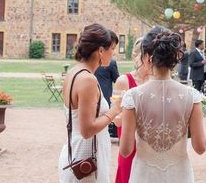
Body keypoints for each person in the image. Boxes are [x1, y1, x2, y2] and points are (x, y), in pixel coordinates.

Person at [119, 26, 206, 181]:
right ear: (174, 59)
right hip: (179, 175)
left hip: (144, 175)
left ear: (147, 58)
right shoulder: (191, 96)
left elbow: (125, 150)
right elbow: (200, 147)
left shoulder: (132, 97)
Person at [58, 24, 120, 182]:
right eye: (111, 49)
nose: (113, 54)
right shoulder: (87, 79)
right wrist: (114, 111)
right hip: (85, 157)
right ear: (101, 51)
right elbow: (87, 130)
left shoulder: (74, 72)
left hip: (76, 149)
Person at [114, 37, 151, 183]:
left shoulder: (156, 80)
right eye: (141, 55)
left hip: (150, 145)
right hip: (129, 143)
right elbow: (116, 120)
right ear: (134, 56)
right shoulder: (123, 81)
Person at [95, 58, 120, 137]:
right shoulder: (111, 62)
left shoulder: (92, 61)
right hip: (106, 94)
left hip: (95, 93)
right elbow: (117, 79)